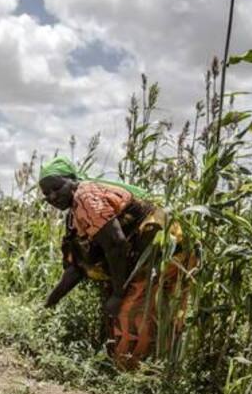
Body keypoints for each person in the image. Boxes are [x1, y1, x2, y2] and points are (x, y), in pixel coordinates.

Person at [38, 156, 194, 370]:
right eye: (46, 194)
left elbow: (116, 244)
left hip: (161, 251)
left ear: (73, 180)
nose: (52, 196)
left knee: (131, 315)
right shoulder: (75, 215)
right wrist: (48, 304)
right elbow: (77, 268)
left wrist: (118, 294)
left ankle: (135, 376)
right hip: (147, 257)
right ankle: (152, 370)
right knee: (143, 317)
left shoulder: (86, 198)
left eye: (57, 188)